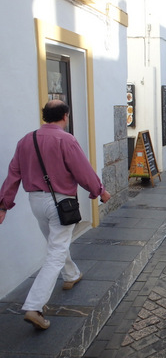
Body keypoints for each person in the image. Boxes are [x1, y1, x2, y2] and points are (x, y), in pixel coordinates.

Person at [0, 100, 111, 330]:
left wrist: (3, 205)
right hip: (61, 202)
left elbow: (13, 174)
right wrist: (99, 190)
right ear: (65, 116)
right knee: (55, 252)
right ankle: (34, 306)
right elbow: (82, 170)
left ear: (45, 116)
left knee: (55, 245)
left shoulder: (25, 140)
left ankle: (71, 275)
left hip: (35, 201)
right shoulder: (65, 139)